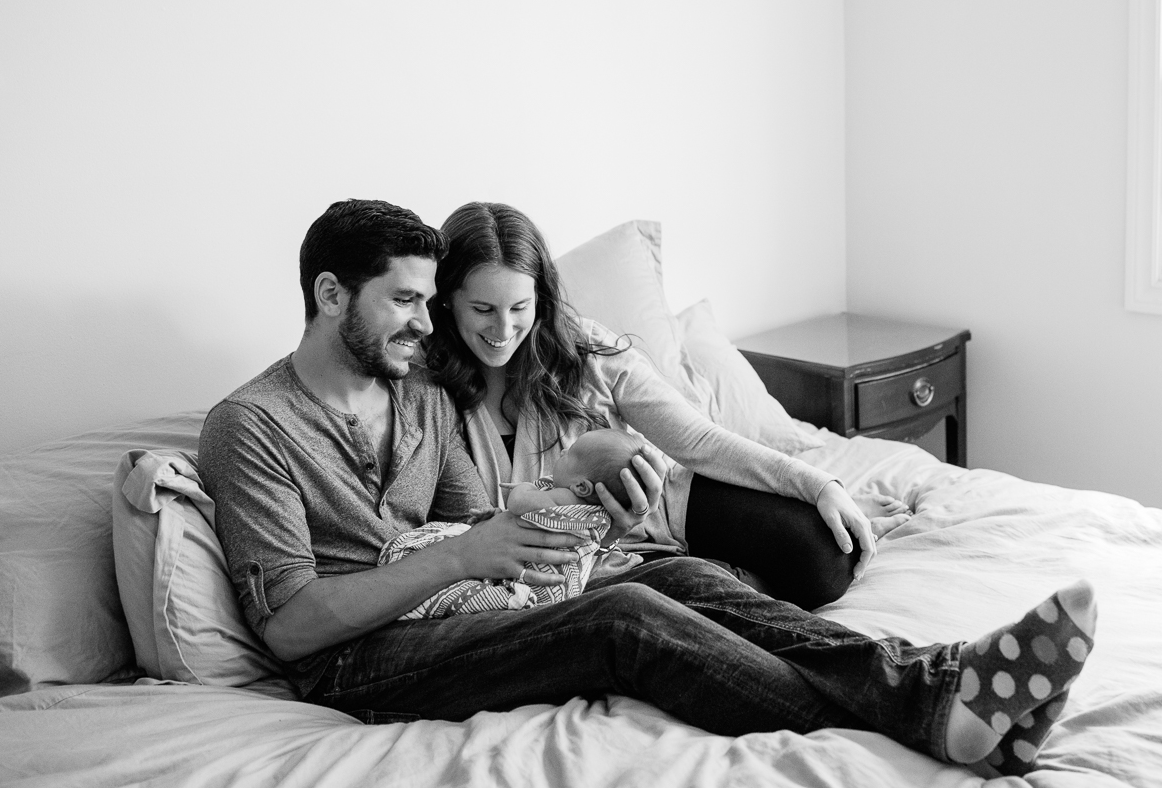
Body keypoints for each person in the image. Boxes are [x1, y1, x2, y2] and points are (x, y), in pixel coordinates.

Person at [200, 198, 1098, 777]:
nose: (426, 323)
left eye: (430, 304)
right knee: (621, 623)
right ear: (328, 295)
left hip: (452, 602)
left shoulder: (416, 388)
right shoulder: (252, 427)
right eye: (406, 303)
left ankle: (936, 680)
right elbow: (291, 625)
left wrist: (558, 495)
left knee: (687, 580)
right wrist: (471, 553)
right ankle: (935, 712)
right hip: (359, 658)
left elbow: (475, 516)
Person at [425, 202, 889, 609]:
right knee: (656, 601)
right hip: (590, 565)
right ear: (446, 301)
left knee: (830, 558)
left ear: (540, 299)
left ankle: (732, 572)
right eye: (483, 310)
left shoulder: (583, 350)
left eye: (519, 307)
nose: (503, 329)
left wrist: (816, 485)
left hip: (669, 506)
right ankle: (717, 576)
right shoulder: (428, 390)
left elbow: (698, 440)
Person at [376, 428, 641, 619]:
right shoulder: (596, 514)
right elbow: (523, 522)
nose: (563, 449)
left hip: (538, 586)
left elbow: (519, 505)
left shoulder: (565, 499)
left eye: (570, 454)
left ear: (582, 487)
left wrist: (524, 488)